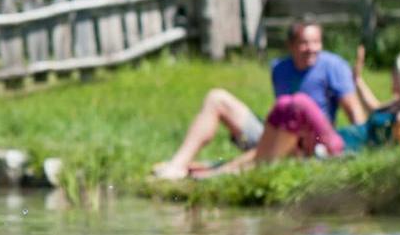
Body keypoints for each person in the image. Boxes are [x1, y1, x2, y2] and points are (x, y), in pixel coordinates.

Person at [152, 20, 364, 179]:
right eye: (304, 43)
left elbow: (355, 113)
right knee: (216, 98)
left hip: (312, 142)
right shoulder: (279, 68)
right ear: (290, 45)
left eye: (317, 42)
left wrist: (360, 149)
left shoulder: (334, 67)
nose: (312, 49)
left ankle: (222, 171)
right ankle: (178, 164)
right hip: (278, 133)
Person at [200, 48, 400, 174]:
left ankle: (222, 171)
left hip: (339, 150)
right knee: (286, 136)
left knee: (299, 107)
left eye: (396, 74)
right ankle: (219, 170)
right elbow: (373, 109)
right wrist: (357, 80)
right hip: (337, 141)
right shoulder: (395, 107)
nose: (392, 76)